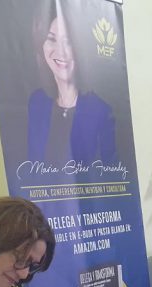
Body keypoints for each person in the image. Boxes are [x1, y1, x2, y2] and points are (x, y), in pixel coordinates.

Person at [27, 0, 116, 167]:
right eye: (51, 39)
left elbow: (111, 174)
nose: (60, 51)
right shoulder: (36, 103)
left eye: (68, 41)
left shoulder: (101, 111)